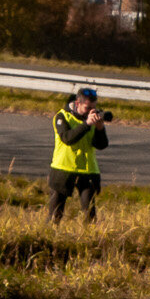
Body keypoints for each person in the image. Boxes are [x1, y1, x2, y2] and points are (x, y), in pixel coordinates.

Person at [48, 86, 110, 222]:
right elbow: (68, 138)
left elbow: (101, 145)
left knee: (90, 215)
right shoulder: (62, 116)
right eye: (87, 108)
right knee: (55, 214)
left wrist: (100, 129)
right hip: (63, 169)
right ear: (77, 104)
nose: (90, 112)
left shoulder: (92, 119)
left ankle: (90, 239)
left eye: (92, 108)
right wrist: (86, 124)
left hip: (87, 170)